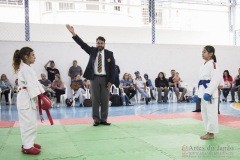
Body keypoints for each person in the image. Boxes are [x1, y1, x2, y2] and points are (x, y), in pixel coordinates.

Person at [66, 24, 115, 126]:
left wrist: (111, 81)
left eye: (101, 43)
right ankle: (96, 119)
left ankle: (104, 119)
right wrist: (74, 34)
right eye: (98, 43)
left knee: (105, 100)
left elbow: (112, 69)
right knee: (95, 100)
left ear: (104, 44)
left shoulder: (109, 54)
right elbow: (82, 44)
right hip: (94, 78)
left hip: (106, 79)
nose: (100, 44)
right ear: (96, 43)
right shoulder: (92, 51)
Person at [12, 47, 45, 155]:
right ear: (26, 56)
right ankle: (27, 146)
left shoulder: (27, 67)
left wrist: (42, 93)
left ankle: (29, 142)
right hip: (26, 97)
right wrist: (42, 97)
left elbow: (36, 83)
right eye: (33, 55)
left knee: (31, 122)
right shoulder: (25, 69)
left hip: (29, 97)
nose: (35, 57)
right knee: (28, 123)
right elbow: (31, 85)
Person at [193, 45, 221, 140]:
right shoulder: (203, 65)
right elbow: (200, 81)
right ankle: (208, 131)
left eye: (204, 52)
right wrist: (197, 94)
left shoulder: (213, 64)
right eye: (202, 52)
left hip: (210, 94)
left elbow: (215, 80)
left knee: (211, 113)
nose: (202, 53)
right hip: (203, 92)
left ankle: (211, 133)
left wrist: (208, 92)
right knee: (204, 113)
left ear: (211, 53)